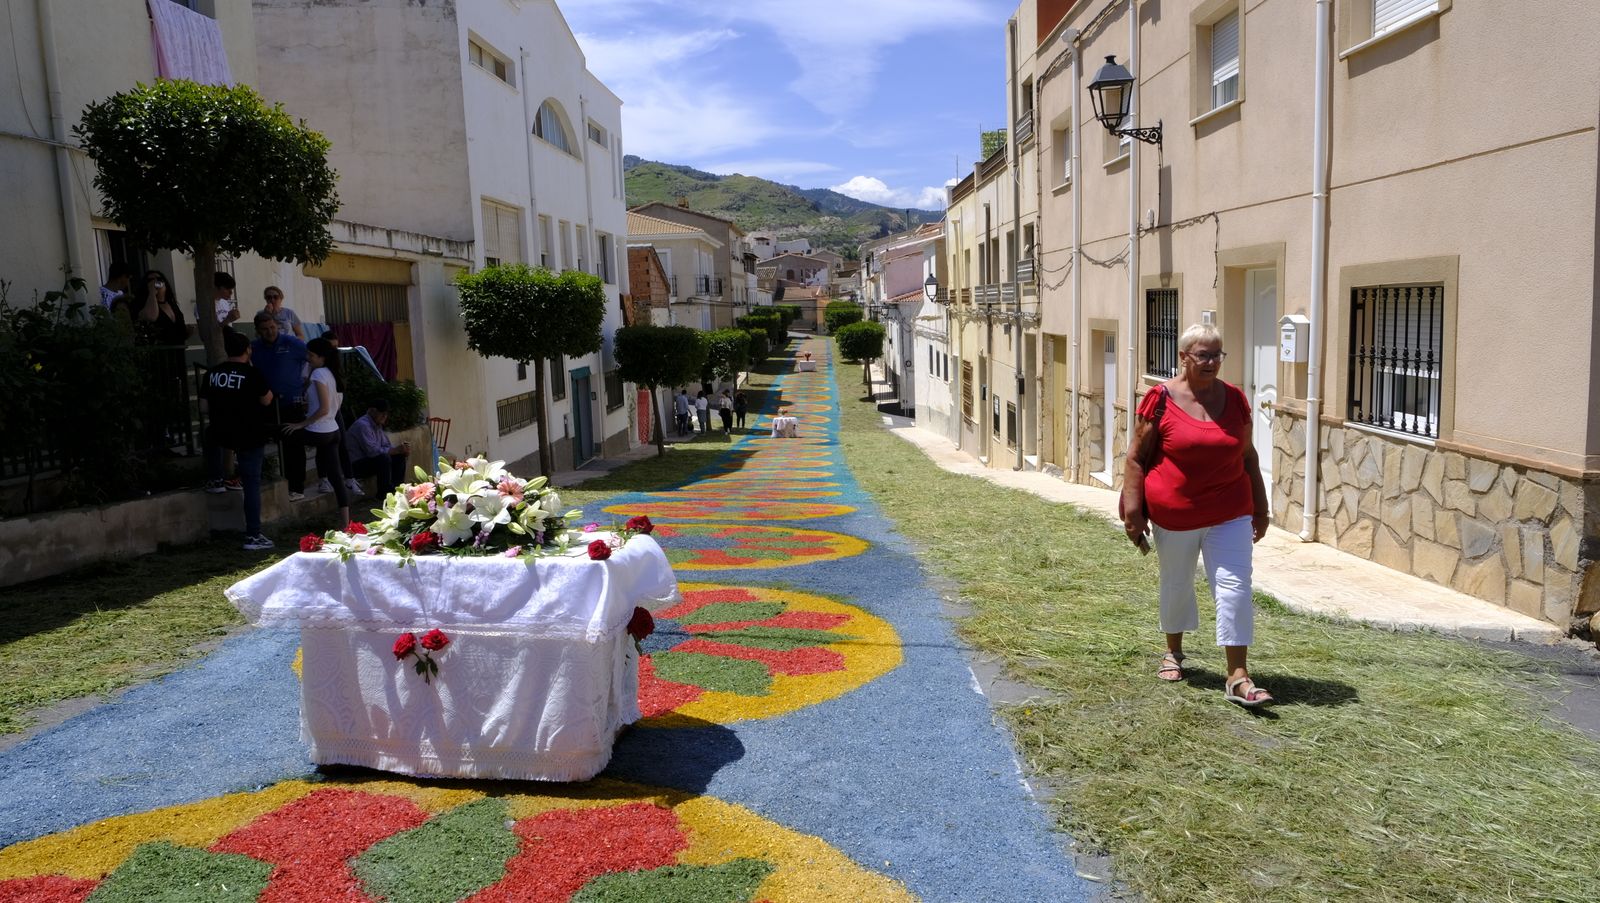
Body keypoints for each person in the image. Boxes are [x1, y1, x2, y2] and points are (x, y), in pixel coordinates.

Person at [1119, 323, 1273, 707]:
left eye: (1217, 354)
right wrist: (1134, 512)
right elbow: (1136, 457)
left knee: (1235, 586)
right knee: (1177, 583)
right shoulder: (1160, 399)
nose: (1211, 362)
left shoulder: (1236, 399)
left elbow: (1248, 456)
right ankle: (1174, 651)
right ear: (1184, 357)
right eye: (1203, 355)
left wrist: (1261, 506)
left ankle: (1237, 675)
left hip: (1230, 510)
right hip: (1177, 513)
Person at [201, 330, 275, 550]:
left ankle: (215, 479)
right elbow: (267, 400)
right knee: (251, 484)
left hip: (221, 431)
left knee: (209, 436)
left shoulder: (212, 374)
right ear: (248, 350)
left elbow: (203, 407)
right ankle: (253, 535)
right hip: (250, 433)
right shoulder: (253, 374)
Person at [284, 337, 349, 527]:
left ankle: (296, 487)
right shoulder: (333, 373)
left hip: (319, 430)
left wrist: (302, 424)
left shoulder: (318, 374)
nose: (308, 358)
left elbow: (323, 408)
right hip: (333, 430)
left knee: (285, 433)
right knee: (337, 477)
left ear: (321, 357)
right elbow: (331, 407)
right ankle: (346, 524)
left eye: (311, 355)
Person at [251, 312, 311, 500]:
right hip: (267, 403)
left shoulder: (291, 343)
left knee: (293, 446)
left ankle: (297, 487)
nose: (270, 332)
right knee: (263, 442)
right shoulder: (254, 347)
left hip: (291, 404)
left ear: (277, 326)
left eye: (272, 328)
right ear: (258, 331)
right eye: (265, 329)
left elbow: (314, 359)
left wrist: (309, 385)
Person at [346, 398, 411, 498]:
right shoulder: (363, 425)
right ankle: (383, 493)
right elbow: (372, 452)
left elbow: (386, 445)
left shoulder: (377, 424)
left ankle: (397, 488)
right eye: (382, 413)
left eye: (386, 414)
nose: (385, 416)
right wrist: (395, 450)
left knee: (398, 456)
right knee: (383, 459)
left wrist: (400, 450)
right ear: (372, 411)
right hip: (355, 465)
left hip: (370, 460)